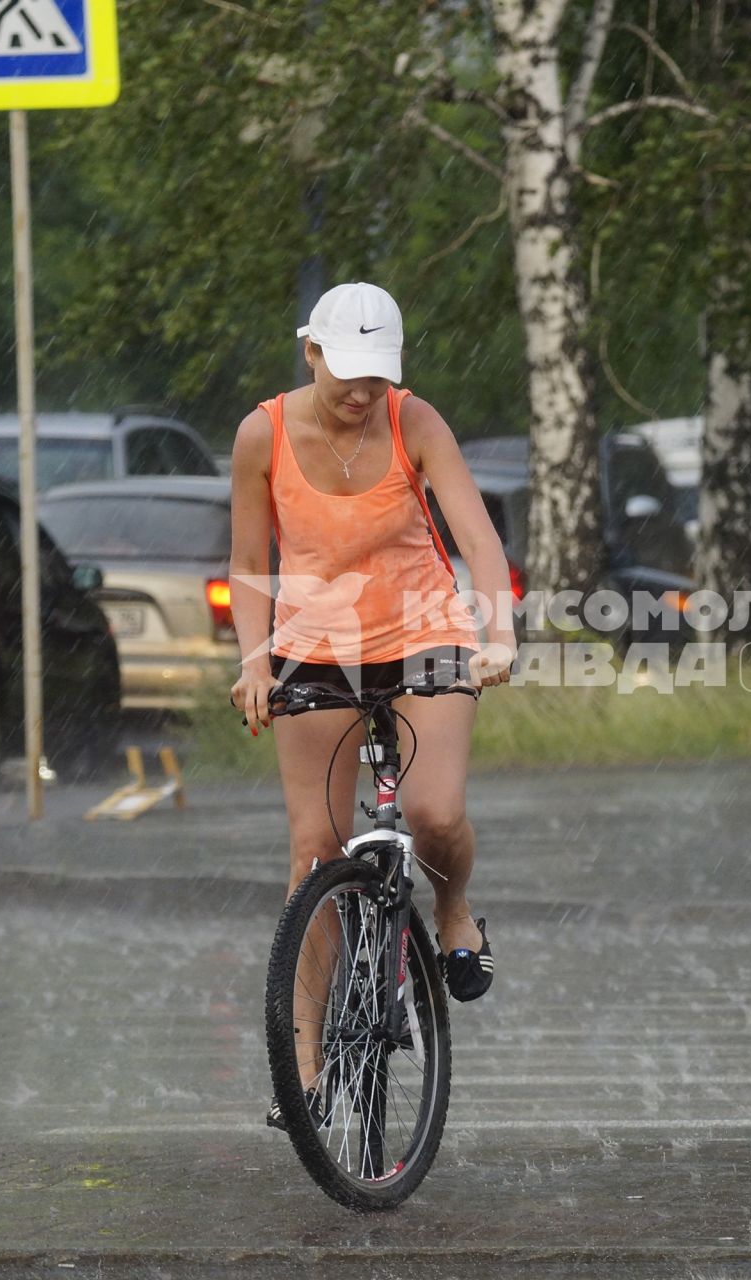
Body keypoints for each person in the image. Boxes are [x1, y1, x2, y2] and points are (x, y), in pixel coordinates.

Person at [226, 283, 517, 1122]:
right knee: (315, 851)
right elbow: (249, 559)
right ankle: (305, 1070)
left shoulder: (412, 422)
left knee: (433, 814)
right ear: (309, 352)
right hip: (315, 646)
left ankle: (455, 910)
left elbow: (478, 537)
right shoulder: (263, 434)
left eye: (376, 375)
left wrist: (496, 636)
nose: (361, 392)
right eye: (346, 372)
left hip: (424, 632)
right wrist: (254, 662)